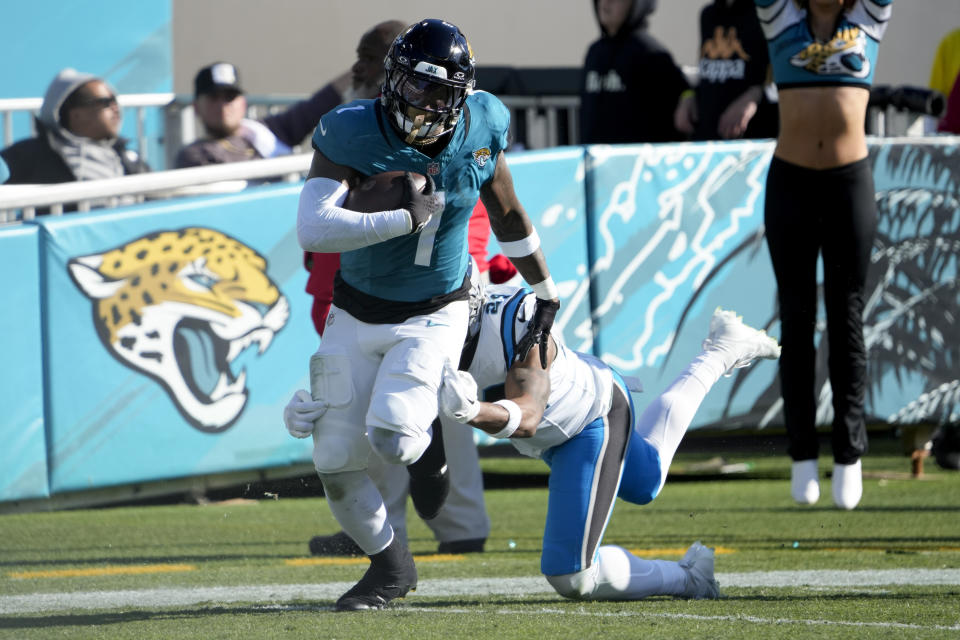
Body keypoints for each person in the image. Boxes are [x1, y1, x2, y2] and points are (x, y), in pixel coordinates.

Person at [293, 19, 560, 611]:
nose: (424, 101)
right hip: (356, 308)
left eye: (439, 91)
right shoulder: (350, 129)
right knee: (333, 459)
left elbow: (509, 212)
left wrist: (545, 286)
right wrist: (397, 218)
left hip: (436, 309)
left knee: (392, 433)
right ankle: (390, 567)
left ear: (461, 94)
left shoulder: (484, 122)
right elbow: (312, 226)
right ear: (391, 79)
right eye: (413, 85)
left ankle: (427, 451)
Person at [436, 283, 780, 601]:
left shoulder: (513, 323)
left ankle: (689, 578)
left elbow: (529, 416)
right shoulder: (424, 336)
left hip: (591, 415)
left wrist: (472, 410)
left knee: (572, 576)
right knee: (645, 481)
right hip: (557, 433)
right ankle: (723, 349)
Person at [754, 0, 894, 510]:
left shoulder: (867, 21)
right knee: (795, 319)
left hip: (848, 183)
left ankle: (850, 454)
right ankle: (802, 455)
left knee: (846, 318)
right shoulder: (780, 19)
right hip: (790, 184)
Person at [176, 20, 407, 169]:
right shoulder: (193, 156)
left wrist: (380, 61)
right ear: (196, 107)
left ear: (243, 102)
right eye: (213, 97)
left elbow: (321, 103)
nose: (223, 105)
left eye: (229, 96)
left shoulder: (267, 132)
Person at [1, 68, 149, 186]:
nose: (115, 108)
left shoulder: (125, 154)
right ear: (76, 114)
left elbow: (159, 196)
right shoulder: (32, 154)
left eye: (115, 101)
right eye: (106, 102)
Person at [580, 0, 690, 144]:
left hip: (637, 162)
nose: (605, 3)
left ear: (637, 5)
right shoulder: (593, 53)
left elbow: (680, 106)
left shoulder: (652, 54)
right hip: (595, 161)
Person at [674, 0, 778, 140]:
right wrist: (689, 95)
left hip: (751, 139)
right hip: (707, 138)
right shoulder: (708, 15)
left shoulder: (770, 12)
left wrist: (755, 96)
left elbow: (792, 80)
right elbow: (706, 70)